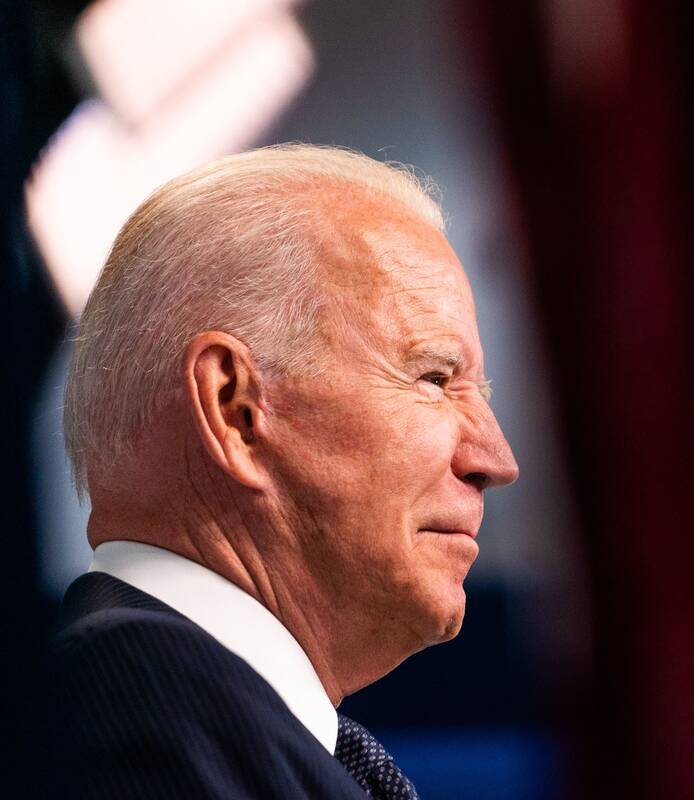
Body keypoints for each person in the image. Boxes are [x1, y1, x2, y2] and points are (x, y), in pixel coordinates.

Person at [48, 144, 520, 799]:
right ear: (236, 410)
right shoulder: (145, 718)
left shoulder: (200, 720)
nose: (497, 461)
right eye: (435, 379)